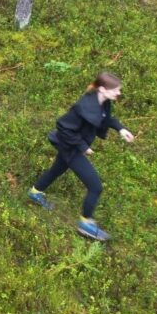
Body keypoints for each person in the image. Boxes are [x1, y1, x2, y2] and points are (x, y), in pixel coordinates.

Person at [28, 72, 136, 241]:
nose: (119, 93)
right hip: (69, 146)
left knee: (57, 169)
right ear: (103, 89)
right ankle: (85, 224)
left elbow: (107, 119)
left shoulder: (104, 102)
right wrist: (82, 146)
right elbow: (62, 126)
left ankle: (35, 192)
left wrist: (121, 129)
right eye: (116, 90)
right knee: (95, 186)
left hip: (72, 147)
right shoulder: (83, 107)